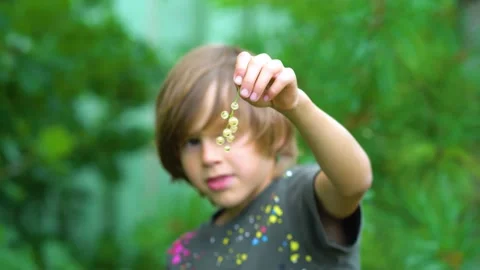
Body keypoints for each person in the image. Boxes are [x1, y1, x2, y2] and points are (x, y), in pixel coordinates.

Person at [154, 44, 373, 270]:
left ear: (275, 135)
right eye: (192, 142)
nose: (208, 157)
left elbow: (354, 183)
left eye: (226, 133)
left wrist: (296, 106)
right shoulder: (186, 256)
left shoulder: (301, 199)